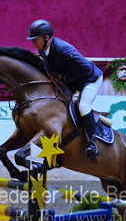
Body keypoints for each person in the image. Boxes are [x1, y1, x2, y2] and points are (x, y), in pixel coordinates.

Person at [26, 19, 103, 159]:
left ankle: (92, 142)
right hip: (73, 81)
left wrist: (65, 79)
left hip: (89, 79)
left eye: (35, 39)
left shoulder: (63, 49)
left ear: (47, 37)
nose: (33, 42)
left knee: (84, 106)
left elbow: (84, 69)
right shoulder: (43, 50)